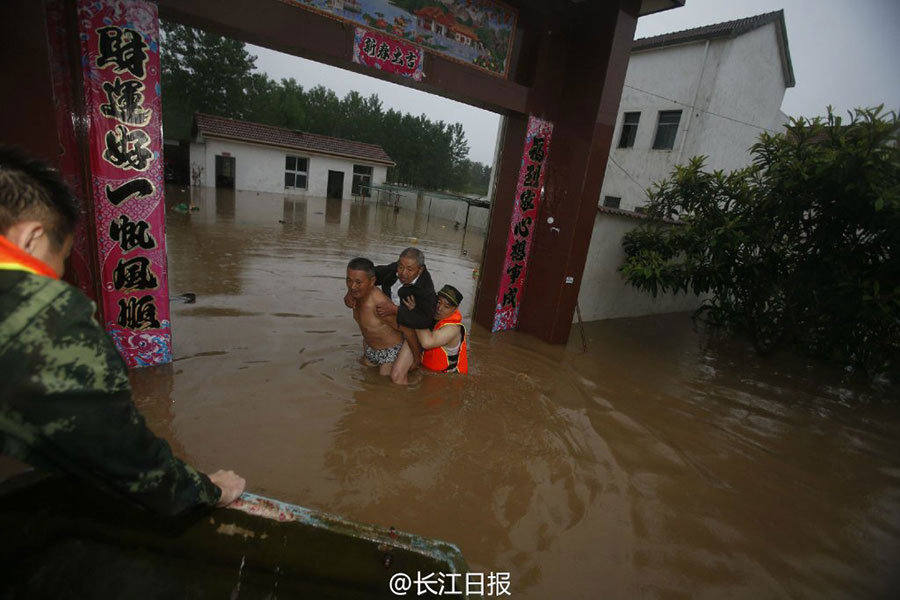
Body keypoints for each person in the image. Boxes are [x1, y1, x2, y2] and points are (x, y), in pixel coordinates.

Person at [0, 146, 245, 516]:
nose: (58, 273)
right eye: (61, 257)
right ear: (31, 239)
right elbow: (127, 460)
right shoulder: (49, 318)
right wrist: (211, 490)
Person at [345, 247, 437, 385]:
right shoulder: (393, 270)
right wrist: (350, 293)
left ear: (420, 270)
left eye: (409, 269)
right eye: (401, 266)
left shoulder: (426, 291)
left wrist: (396, 310)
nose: (403, 273)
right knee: (367, 377)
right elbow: (364, 274)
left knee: (395, 379)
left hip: (413, 326)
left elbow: (423, 321)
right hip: (377, 341)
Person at [346, 257, 404, 376]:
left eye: (358, 282)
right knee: (364, 379)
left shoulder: (380, 306)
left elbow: (404, 328)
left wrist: (413, 358)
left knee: (383, 385)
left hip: (390, 352)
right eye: (349, 280)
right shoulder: (356, 295)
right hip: (370, 348)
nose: (352, 286)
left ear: (372, 281)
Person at [401, 284, 469, 378]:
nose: (439, 308)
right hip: (430, 371)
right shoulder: (432, 316)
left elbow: (427, 342)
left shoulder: (453, 329)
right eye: (438, 301)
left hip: (446, 379)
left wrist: (416, 313)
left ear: (455, 310)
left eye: (446, 306)